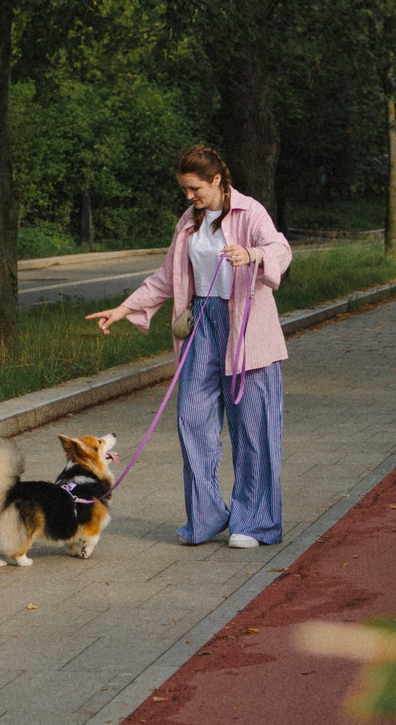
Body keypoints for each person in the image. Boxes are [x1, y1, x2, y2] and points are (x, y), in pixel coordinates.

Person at [88, 145, 293, 547]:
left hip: (246, 331)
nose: (188, 196)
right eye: (184, 189)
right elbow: (167, 277)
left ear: (217, 180)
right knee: (191, 422)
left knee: (253, 430)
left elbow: (281, 250)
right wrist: (125, 308)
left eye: (194, 188)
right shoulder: (189, 221)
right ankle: (207, 516)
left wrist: (252, 254)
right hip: (200, 326)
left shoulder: (250, 213)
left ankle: (254, 523)